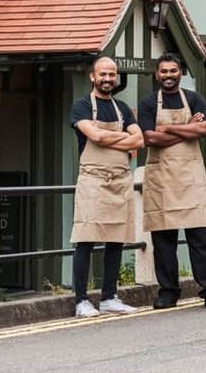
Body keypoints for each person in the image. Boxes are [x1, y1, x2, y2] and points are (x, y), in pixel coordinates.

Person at [138, 52, 206, 310]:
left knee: (201, 238)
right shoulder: (148, 103)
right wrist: (187, 129)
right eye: (163, 71)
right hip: (161, 179)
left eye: (173, 71)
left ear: (181, 72)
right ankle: (168, 292)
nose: (168, 76)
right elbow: (149, 138)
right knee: (164, 240)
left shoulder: (195, 99)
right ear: (157, 74)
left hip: (190, 179)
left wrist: (167, 128)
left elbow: (205, 130)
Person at [70, 56, 144, 317]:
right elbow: (96, 136)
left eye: (112, 75)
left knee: (116, 239)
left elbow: (140, 141)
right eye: (102, 74)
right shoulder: (80, 107)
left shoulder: (122, 108)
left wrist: (111, 139)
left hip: (120, 179)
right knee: (85, 239)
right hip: (92, 178)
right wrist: (123, 137)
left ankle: (109, 297)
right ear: (93, 76)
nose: (107, 79)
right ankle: (81, 300)